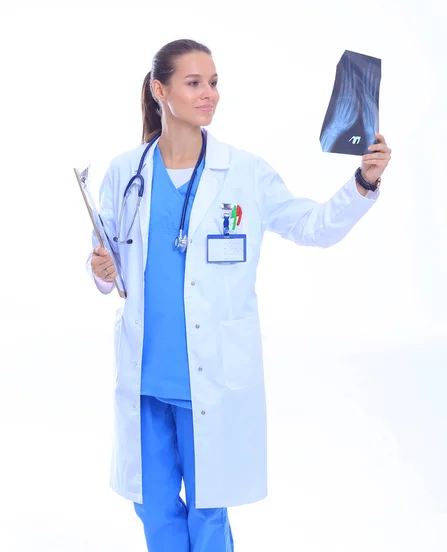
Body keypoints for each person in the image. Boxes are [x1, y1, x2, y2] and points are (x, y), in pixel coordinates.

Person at [87, 38, 391, 552]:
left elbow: (312, 227)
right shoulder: (125, 173)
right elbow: (108, 271)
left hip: (210, 374)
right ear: (160, 91)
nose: (210, 94)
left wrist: (362, 184)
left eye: (214, 82)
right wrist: (99, 268)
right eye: (194, 83)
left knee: (209, 512)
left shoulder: (243, 172)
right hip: (146, 375)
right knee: (154, 508)